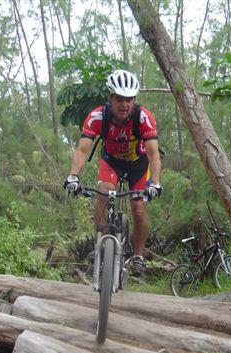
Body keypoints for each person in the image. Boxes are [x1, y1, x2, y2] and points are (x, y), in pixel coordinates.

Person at [63, 69, 162, 276]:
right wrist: (73, 175)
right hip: (111, 162)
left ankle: (138, 256)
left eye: (129, 99)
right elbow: (82, 149)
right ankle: (102, 243)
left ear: (134, 99)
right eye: (119, 99)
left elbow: (153, 155)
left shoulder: (143, 117)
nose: (124, 104)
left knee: (139, 208)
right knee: (103, 194)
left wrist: (154, 182)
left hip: (137, 164)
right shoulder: (98, 116)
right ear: (110, 98)